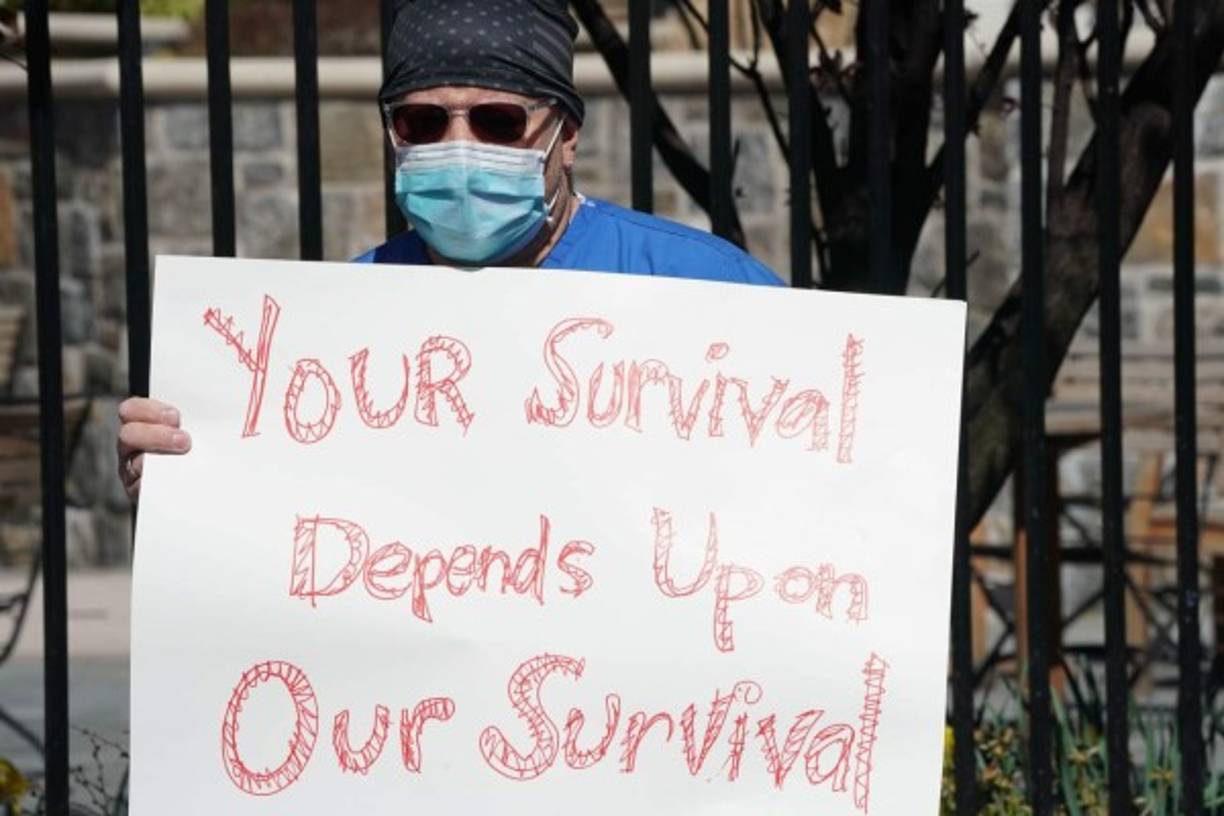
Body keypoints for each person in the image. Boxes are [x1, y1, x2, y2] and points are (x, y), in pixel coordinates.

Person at [117, 0, 782, 503]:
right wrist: (181, 480)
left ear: (567, 134)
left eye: (498, 121)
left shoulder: (705, 286)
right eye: (422, 122)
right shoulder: (328, 328)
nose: (458, 146)